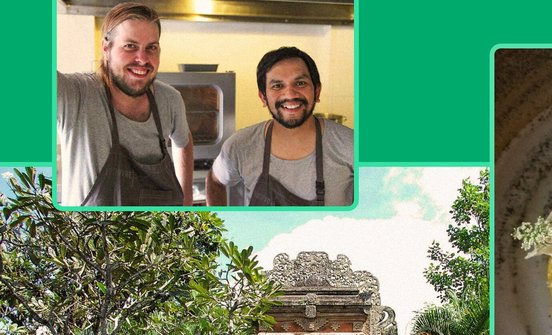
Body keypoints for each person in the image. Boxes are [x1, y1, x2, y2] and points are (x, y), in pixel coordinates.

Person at [57, 2, 193, 206]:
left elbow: (184, 141)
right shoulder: (75, 95)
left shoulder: (170, 99)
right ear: (106, 47)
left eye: (151, 48)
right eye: (130, 46)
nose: (142, 59)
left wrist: (186, 203)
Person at [206, 46, 353, 206]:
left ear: (317, 91)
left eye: (300, 83)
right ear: (263, 97)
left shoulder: (352, 145)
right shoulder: (240, 146)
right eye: (277, 86)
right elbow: (215, 182)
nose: (290, 94)